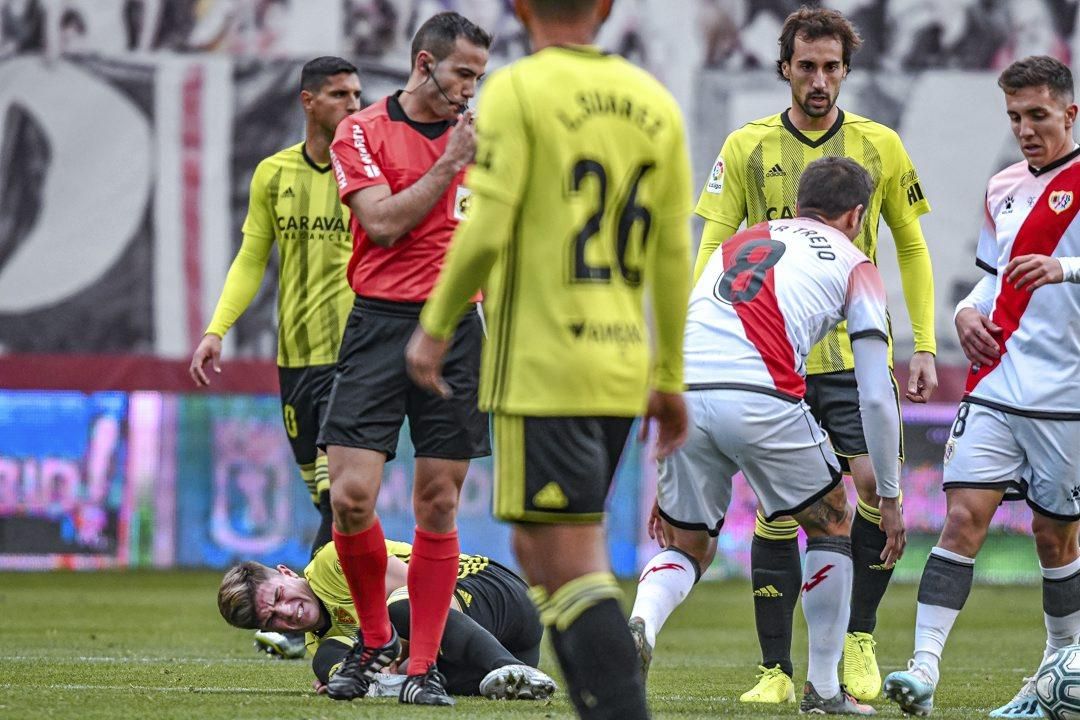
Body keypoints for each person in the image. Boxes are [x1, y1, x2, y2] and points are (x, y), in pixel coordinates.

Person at [629, 6, 936, 705]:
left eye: (832, 67)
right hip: (769, 384)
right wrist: (890, 499)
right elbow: (880, 398)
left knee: (685, 540)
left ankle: (639, 622)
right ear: (858, 215)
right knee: (833, 514)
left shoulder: (749, 242)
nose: (821, 79)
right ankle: (822, 684)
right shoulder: (852, 258)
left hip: (691, 379)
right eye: (808, 65)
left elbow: (700, 289)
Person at [405, 1, 692, 718]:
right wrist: (668, 376)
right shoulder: (655, 103)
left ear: (520, 8)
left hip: (544, 364)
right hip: (620, 365)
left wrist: (435, 324)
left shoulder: (518, 90)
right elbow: (672, 252)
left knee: (566, 562)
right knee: (544, 554)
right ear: (605, 8)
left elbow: (488, 221)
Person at [883, 55, 1080, 719]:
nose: (1025, 128)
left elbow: (1053, 268)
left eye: (1037, 116)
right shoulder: (1002, 186)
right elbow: (994, 277)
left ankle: (1051, 683)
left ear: (1070, 113)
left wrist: (1066, 270)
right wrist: (968, 309)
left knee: (1057, 540)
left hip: (1067, 395)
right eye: (1015, 117)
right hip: (997, 381)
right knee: (962, 518)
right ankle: (924, 672)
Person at [320, 11, 491, 707]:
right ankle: (372, 639)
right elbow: (383, 223)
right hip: (378, 325)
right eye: (462, 75)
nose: (470, 91)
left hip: (457, 328)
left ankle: (422, 667)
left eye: (479, 77)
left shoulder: (489, 139)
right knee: (350, 497)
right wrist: (451, 161)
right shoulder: (360, 131)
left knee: (439, 501)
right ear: (425, 64)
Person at [189, 56, 361, 658]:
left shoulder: (368, 173)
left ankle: (320, 622)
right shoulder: (273, 174)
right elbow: (251, 259)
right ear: (309, 101)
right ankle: (320, 616)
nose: (354, 104)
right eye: (341, 94)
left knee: (343, 494)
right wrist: (217, 329)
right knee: (326, 501)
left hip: (359, 356)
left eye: (358, 94)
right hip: (297, 361)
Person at [217, 540, 557, 700]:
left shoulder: (331, 563)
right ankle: (514, 676)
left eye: (279, 597)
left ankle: (511, 668)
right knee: (328, 663)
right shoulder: (319, 643)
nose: (289, 613)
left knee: (399, 610)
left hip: (495, 594)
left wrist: (395, 663)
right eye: (273, 620)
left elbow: (423, 593)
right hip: (485, 654)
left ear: (285, 572)